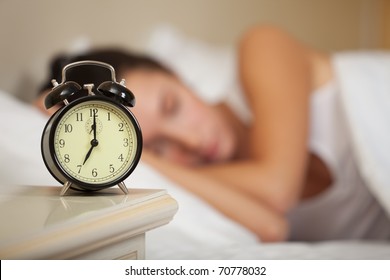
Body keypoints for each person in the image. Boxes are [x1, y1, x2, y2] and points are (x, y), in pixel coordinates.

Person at [35, 25, 390, 242]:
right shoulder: (214, 185)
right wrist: (134, 157)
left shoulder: (262, 48)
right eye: (159, 146)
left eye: (172, 106)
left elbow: (277, 190)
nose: (191, 141)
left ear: (177, 75)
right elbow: (271, 228)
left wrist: (143, 153)